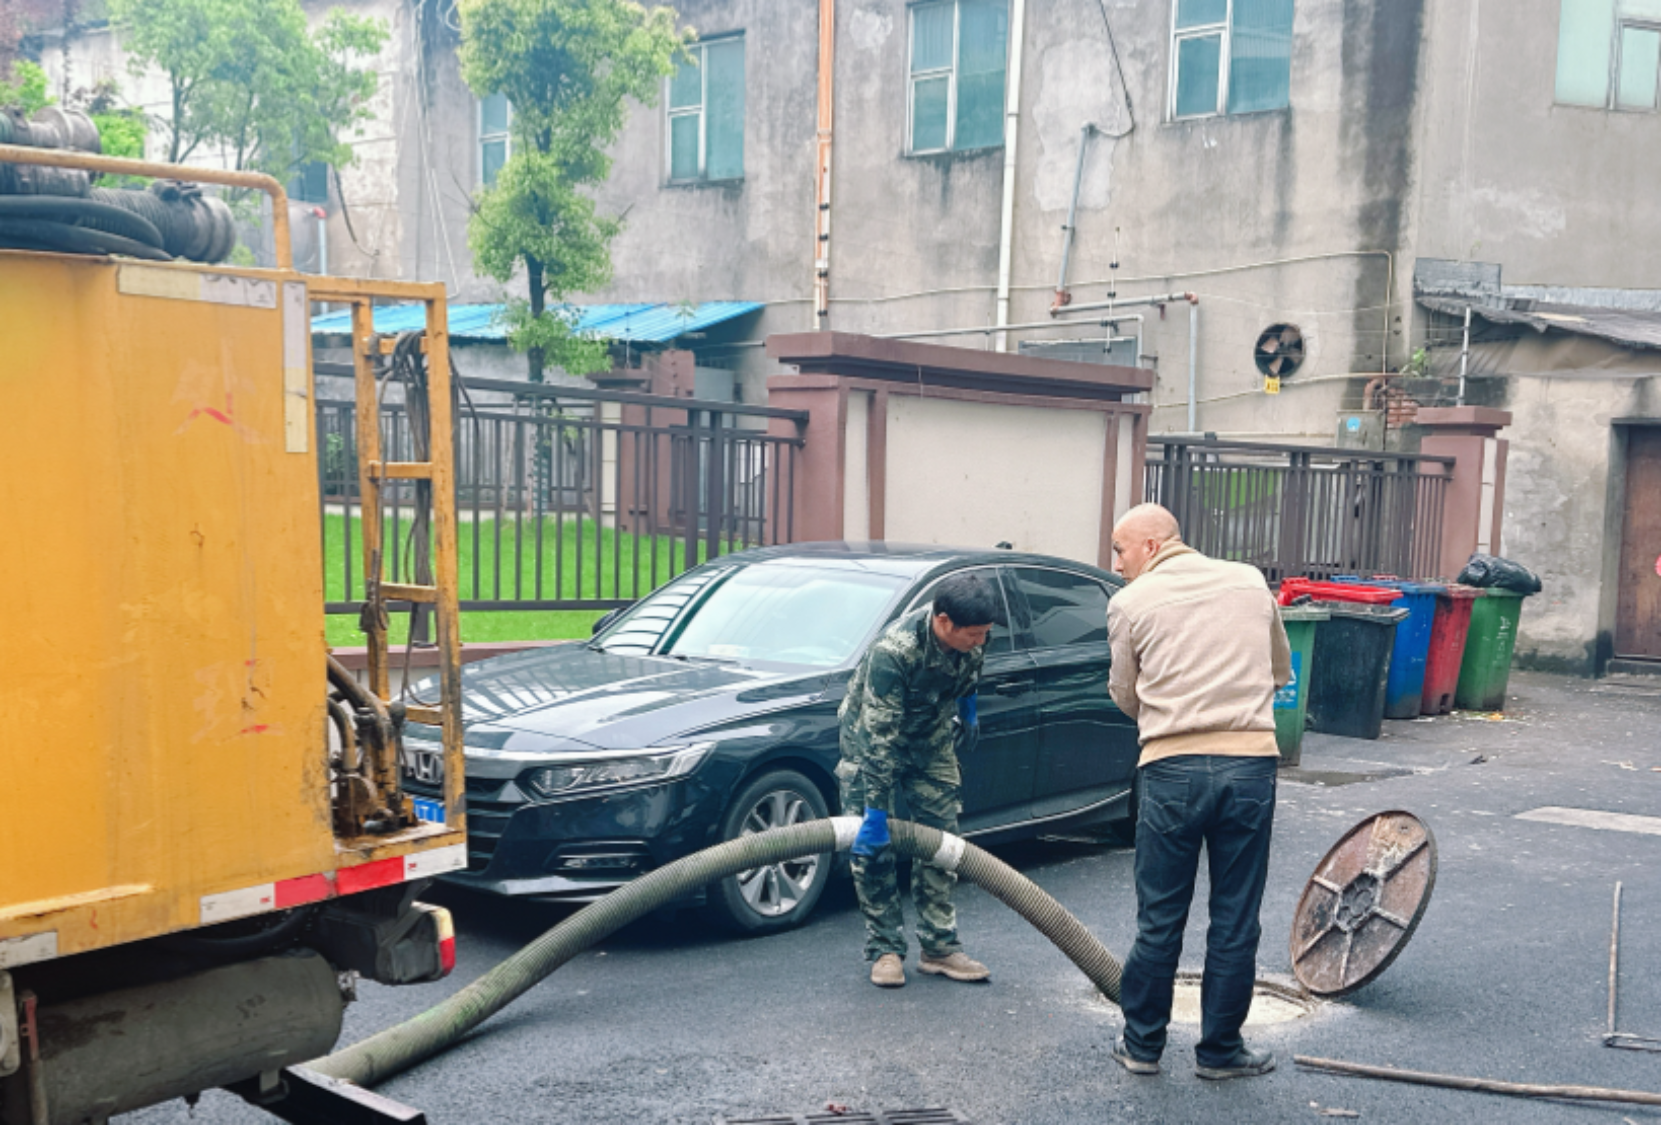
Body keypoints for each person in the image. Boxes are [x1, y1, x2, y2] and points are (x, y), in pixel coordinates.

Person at [1105, 503, 1292, 1081]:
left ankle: (1142, 1047)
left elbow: (1125, 693)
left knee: (1160, 917)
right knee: (1236, 916)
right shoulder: (1250, 582)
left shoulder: (1130, 602)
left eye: (1120, 550)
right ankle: (1220, 1052)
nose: (1117, 565)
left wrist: (1172, 712)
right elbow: (1279, 671)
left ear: (1152, 546)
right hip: (1250, 766)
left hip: (1171, 769)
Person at [837, 571, 1002, 989]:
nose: (981, 641)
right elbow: (879, 739)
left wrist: (968, 708)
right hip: (870, 742)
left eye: (985, 633)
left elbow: (969, 670)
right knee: (872, 848)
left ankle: (939, 946)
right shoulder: (894, 652)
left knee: (942, 841)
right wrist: (876, 812)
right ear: (943, 622)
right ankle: (885, 948)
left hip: (929, 737)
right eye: (974, 634)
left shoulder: (975, 633)